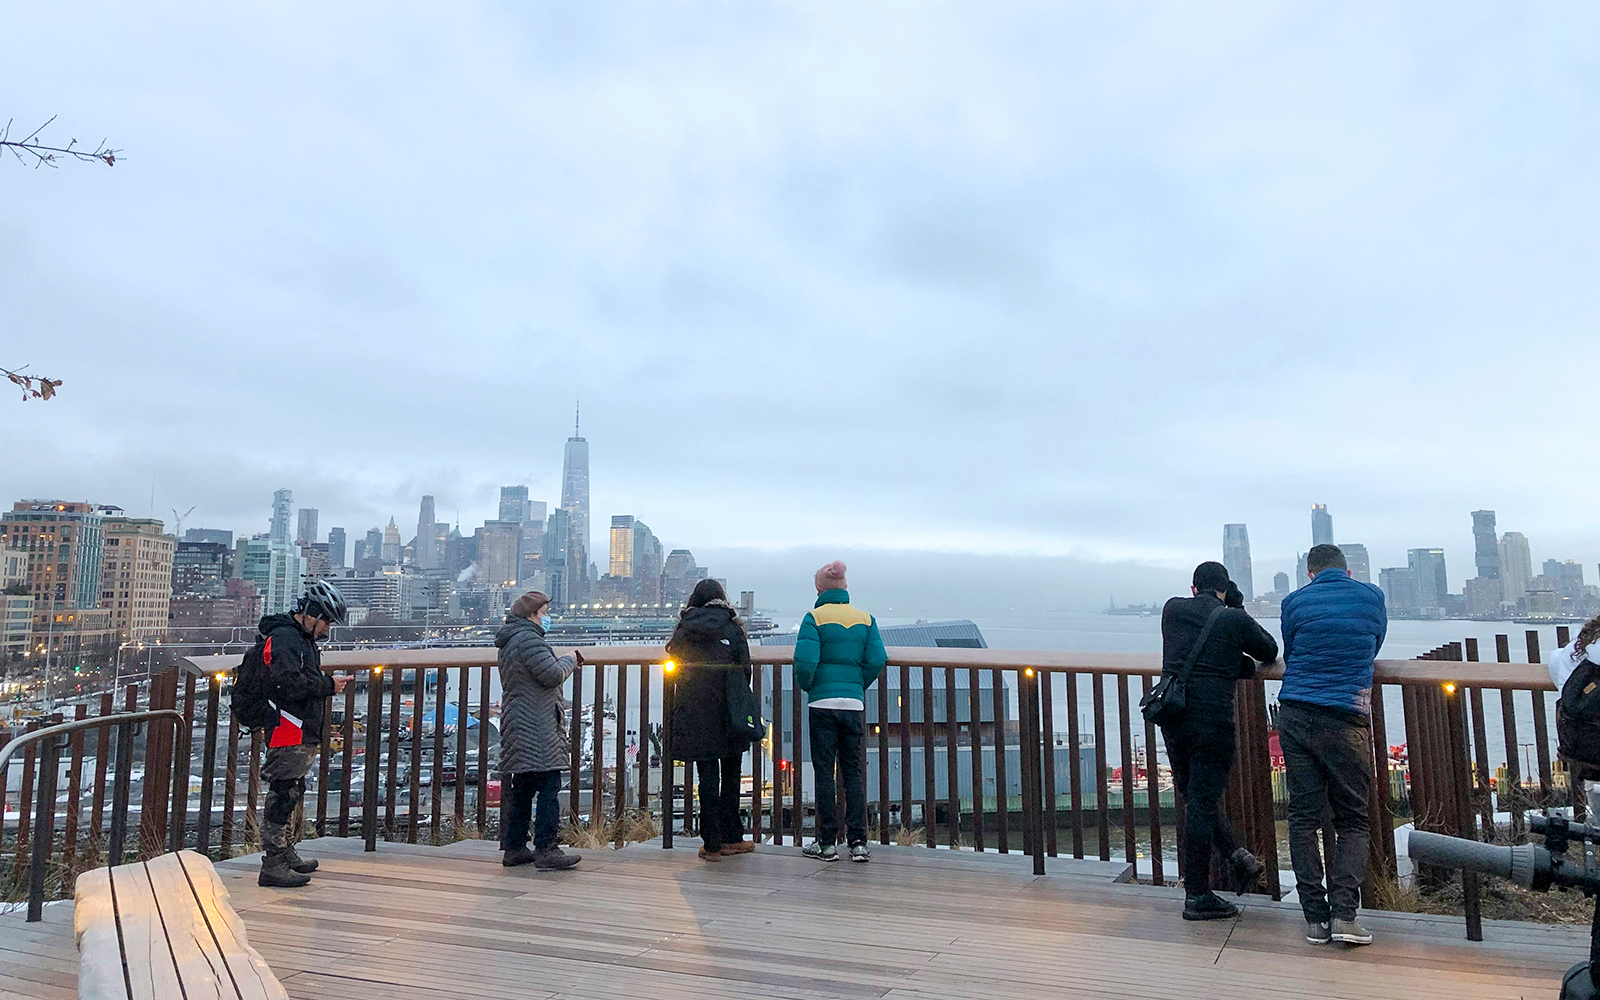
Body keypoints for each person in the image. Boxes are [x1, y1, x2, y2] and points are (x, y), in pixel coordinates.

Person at [1279, 543, 1387, 947]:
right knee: (1353, 819)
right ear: (1347, 571)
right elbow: (1373, 644)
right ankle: (1345, 915)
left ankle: (1314, 920)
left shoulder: (1294, 601)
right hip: (1345, 715)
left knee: (1304, 817)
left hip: (1295, 711)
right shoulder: (1372, 596)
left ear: (1310, 573)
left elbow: (1291, 651)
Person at [1159, 561, 1279, 920]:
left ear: (1193, 586)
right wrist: (1237, 608)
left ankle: (1237, 857)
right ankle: (1197, 894)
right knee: (1201, 803)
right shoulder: (1233, 619)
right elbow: (1268, 651)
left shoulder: (1172, 609)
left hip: (1173, 718)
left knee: (1194, 799)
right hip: (1212, 722)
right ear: (1225, 588)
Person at [258, 580, 351, 888]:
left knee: (293, 789)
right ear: (310, 613)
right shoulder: (286, 638)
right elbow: (287, 682)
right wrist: (328, 686)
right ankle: (273, 863)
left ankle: (284, 853)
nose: (327, 628)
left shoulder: (301, 639)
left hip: (300, 726)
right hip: (288, 726)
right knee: (283, 793)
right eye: (326, 619)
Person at [794, 561, 886, 863]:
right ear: (845, 588)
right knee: (853, 773)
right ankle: (859, 841)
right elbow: (876, 659)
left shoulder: (814, 618)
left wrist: (812, 687)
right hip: (853, 704)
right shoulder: (865, 618)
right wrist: (857, 685)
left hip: (822, 704)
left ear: (819, 589)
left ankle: (826, 843)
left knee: (824, 773)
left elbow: (805, 663)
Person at [666, 579, 757, 861]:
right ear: (722, 598)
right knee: (731, 773)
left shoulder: (684, 629)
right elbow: (745, 669)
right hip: (730, 708)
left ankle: (712, 844)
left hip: (696, 709)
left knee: (707, 775)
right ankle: (732, 837)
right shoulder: (733, 627)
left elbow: (677, 668)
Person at [496, 591, 581, 870]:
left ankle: (515, 847)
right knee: (548, 785)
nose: (547, 618)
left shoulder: (510, 640)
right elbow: (551, 675)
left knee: (522, 787)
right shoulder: (529, 640)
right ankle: (547, 848)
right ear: (532, 615)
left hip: (518, 720)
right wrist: (571, 659)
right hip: (537, 723)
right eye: (544, 613)